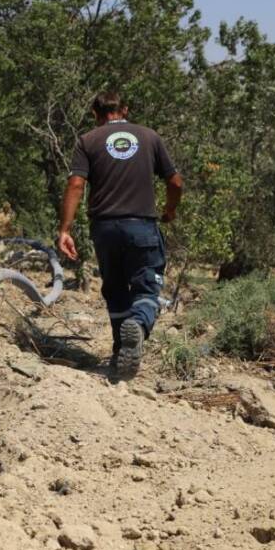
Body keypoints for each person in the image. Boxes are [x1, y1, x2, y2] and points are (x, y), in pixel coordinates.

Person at [57, 92, 183, 381]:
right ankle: (137, 325)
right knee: (147, 288)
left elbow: (75, 184)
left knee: (115, 290)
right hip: (141, 226)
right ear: (125, 109)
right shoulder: (149, 137)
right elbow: (175, 182)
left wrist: (65, 229)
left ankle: (120, 353)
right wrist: (170, 209)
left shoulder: (88, 140)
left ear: (95, 113)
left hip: (104, 229)